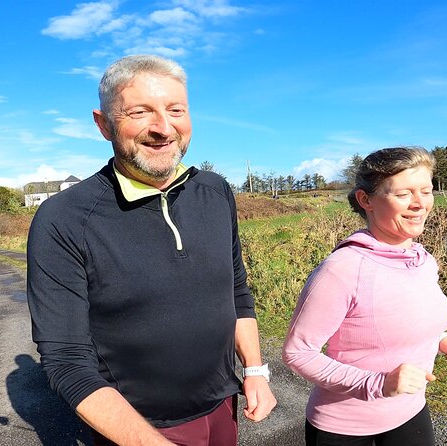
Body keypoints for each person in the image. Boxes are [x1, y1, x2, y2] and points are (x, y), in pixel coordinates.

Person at [27, 54, 276, 446]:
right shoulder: (63, 218)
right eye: (140, 112)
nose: (163, 128)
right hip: (139, 430)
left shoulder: (215, 191)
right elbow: (67, 362)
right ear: (103, 124)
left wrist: (256, 372)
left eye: (175, 109)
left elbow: (236, 293)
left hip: (224, 407)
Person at [282, 147, 447, 446]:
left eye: (426, 191)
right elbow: (298, 353)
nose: (420, 204)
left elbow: (417, 320)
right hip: (344, 427)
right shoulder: (342, 269)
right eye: (403, 194)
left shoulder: (423, 259)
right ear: (366, 200)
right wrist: (377, 383)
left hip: (410, 411)